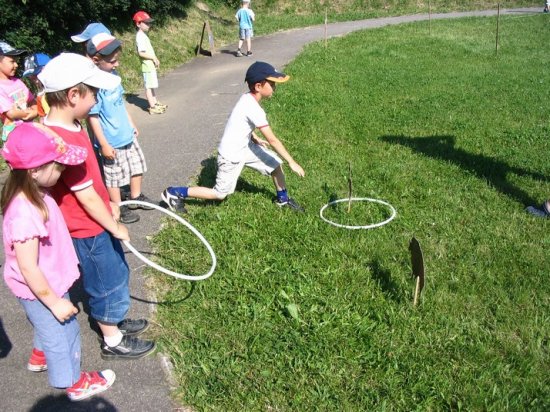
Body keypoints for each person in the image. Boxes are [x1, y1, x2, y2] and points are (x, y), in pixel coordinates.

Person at [37, 53, 156, 360]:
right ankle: (112, 339)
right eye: (94, 93)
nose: (98, 98)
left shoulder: (70, 126)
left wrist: (112, 204)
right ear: (73, 95)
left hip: (97, 219)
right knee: (106, 280)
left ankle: (114, 320)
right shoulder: (65, 141)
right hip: (88, 228)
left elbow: (93, 186)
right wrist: (114, 225)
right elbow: (85, 196)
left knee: (116, 271)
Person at [1, 122, 116, 401]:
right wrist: (53, 301)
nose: (63, 170)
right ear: (34, 170)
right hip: (42, 287)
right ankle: (74, 382)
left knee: (47, 327)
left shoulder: (34, 193)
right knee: (63, 334)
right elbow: (28, 267)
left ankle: (40, 357)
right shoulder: (25, 213)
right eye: (58, 166)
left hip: (48, 281)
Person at [162, 61, 305, 213]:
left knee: (275, 164)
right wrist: (292, 162)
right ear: (258, 86)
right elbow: (273, 140)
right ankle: (174, 192)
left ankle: (283, 199)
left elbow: (238, 121)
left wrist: (253, 137)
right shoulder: (253, 108)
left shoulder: (246, 98)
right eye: (272, 84)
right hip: (231, 155)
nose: (274, 87)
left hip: (245, 147)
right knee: (219, 194)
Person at [87, 33, 154, 225]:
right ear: (96, 60)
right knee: (114, 177)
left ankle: (135, 197)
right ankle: (118, 205)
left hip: (126, 134)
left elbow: (120, 103)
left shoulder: (114, 77)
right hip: (111, 140)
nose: (116, 64)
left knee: (137, 166)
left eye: (117, 60)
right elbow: (93, 117)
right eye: (112, 61)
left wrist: (131, 123)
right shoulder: (95, 86)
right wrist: (103, 144)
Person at [0, 40, 38, 141]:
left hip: (29, 130)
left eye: (16, 61)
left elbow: (32, 100)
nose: (16, 65)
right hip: (14, 135)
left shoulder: (18, 82)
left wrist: (35, 111)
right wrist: (29, 113)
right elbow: (11, 113)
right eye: (12, 61)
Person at [133, 10, 167, 115]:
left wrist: (155, 59)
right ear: (138, 24)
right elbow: (141, 53)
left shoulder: (143, 35)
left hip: (150, 65)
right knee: (148, 87)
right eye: (146, 23)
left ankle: (155, 103)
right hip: (146, 66)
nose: (149, 25)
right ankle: (152, 107)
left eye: (149, 23)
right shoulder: (140, 36)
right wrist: (153, 58)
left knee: (152, 85)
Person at [22, 53, 51, 117]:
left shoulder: (63, 89)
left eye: (36, 74)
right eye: (31, 77)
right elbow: (42, 116)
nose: (35, 80)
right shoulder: (40, 95)